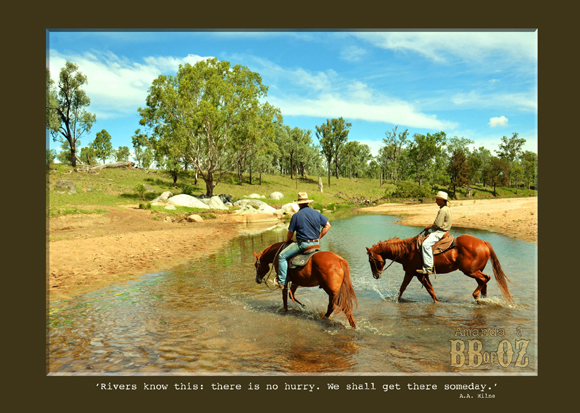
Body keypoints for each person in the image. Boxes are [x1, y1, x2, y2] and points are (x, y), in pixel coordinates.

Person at [275, 192, 331, 288]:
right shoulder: (316, 213)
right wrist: (318, 238)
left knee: (281, 256)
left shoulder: (296, 216)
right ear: (308, 202)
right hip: (316, 244)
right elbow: (328, 226)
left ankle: (282, 281)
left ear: (299, 204)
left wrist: (288, 240)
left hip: (303, 244)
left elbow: (290, 234)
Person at [416, 191, 452, 275]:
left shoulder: (442, 210)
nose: (436, 201)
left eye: (437, 200)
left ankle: (428, 268)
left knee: (425, 245)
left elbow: (437, 224)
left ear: (442, 200)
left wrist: (429, 227)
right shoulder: (446, 209)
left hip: (440, 232)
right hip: (443, 230)